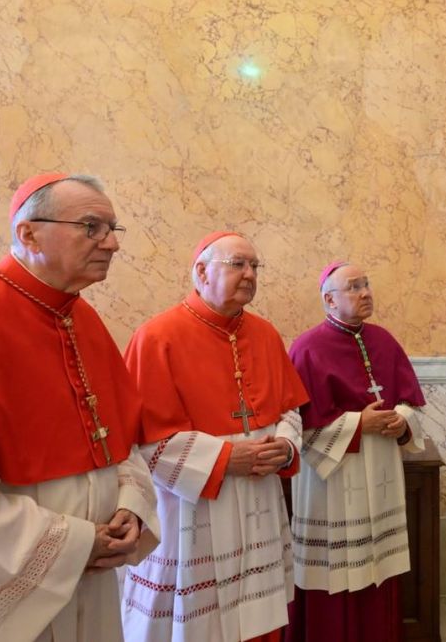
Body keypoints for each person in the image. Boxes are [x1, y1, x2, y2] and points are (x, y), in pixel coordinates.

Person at [0, 172, 160, 642]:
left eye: (113, 230)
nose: (111, 244)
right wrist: (74, 546)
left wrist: (130, 508)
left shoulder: (85, 320)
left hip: (94, 576)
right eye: (92, 227)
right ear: (28, 233)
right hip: (12, 583)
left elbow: (119, 444)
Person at [121, 231, 308, 642]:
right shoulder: (156, 337)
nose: (249, 274)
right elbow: (142, 443)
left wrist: (285, 443)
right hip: (192, 508)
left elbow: (290, 409)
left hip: (259, 498)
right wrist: (224, 460)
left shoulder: (265, 334)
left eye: (255, 266)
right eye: (237, 263)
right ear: (202, 271)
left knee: (259, 618)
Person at [285, 260, 426, 642]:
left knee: (378, 568)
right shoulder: (307, 348)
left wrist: (401, 420)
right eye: (353, 287)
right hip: (333, 480)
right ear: (329, 300)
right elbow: (300, 430)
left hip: (381, 469)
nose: (365, 292)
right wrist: (359, 424)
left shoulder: (384, 340)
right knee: (334, 572)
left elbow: (411, 403)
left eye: (366, 284)